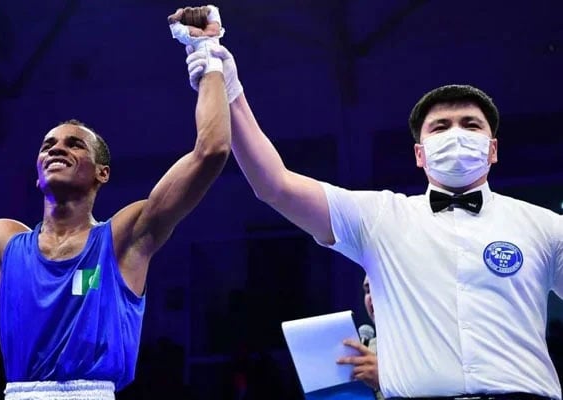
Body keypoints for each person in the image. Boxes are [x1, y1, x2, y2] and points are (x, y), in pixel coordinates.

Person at [179, 14, 563, 399]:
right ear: (419, 154)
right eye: (441, 127)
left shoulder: (544, 226)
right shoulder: (381, 217)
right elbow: (275, 185)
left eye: (471, 124)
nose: (457, 134)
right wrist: (229, 86)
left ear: (492, 150)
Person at [0, 8, 230, 399]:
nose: (56, 149)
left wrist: (206, 48)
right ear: (37, 173)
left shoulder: (124, 237)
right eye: (48, 145)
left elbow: (211, 151)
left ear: (102, 173)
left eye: (74, 144)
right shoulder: (5, 242)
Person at [337, 275, 383, 399]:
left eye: (379, 288)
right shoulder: (367, 349)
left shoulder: (428, 345)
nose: (371, 297)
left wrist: (386, 378)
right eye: (368, 291)